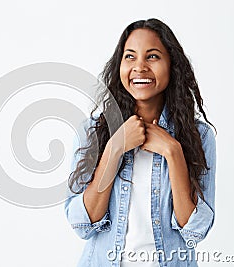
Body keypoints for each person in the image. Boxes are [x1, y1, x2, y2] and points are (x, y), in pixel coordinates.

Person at [64, 18, 216, 267]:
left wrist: (173, 151)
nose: (140, 67)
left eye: (153, 56)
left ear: (172, 65)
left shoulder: (199, 136)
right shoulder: (92, 131)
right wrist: (114, 148)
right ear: (120, 65)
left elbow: (194, 232)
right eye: (130, 57)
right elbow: (83, 224)